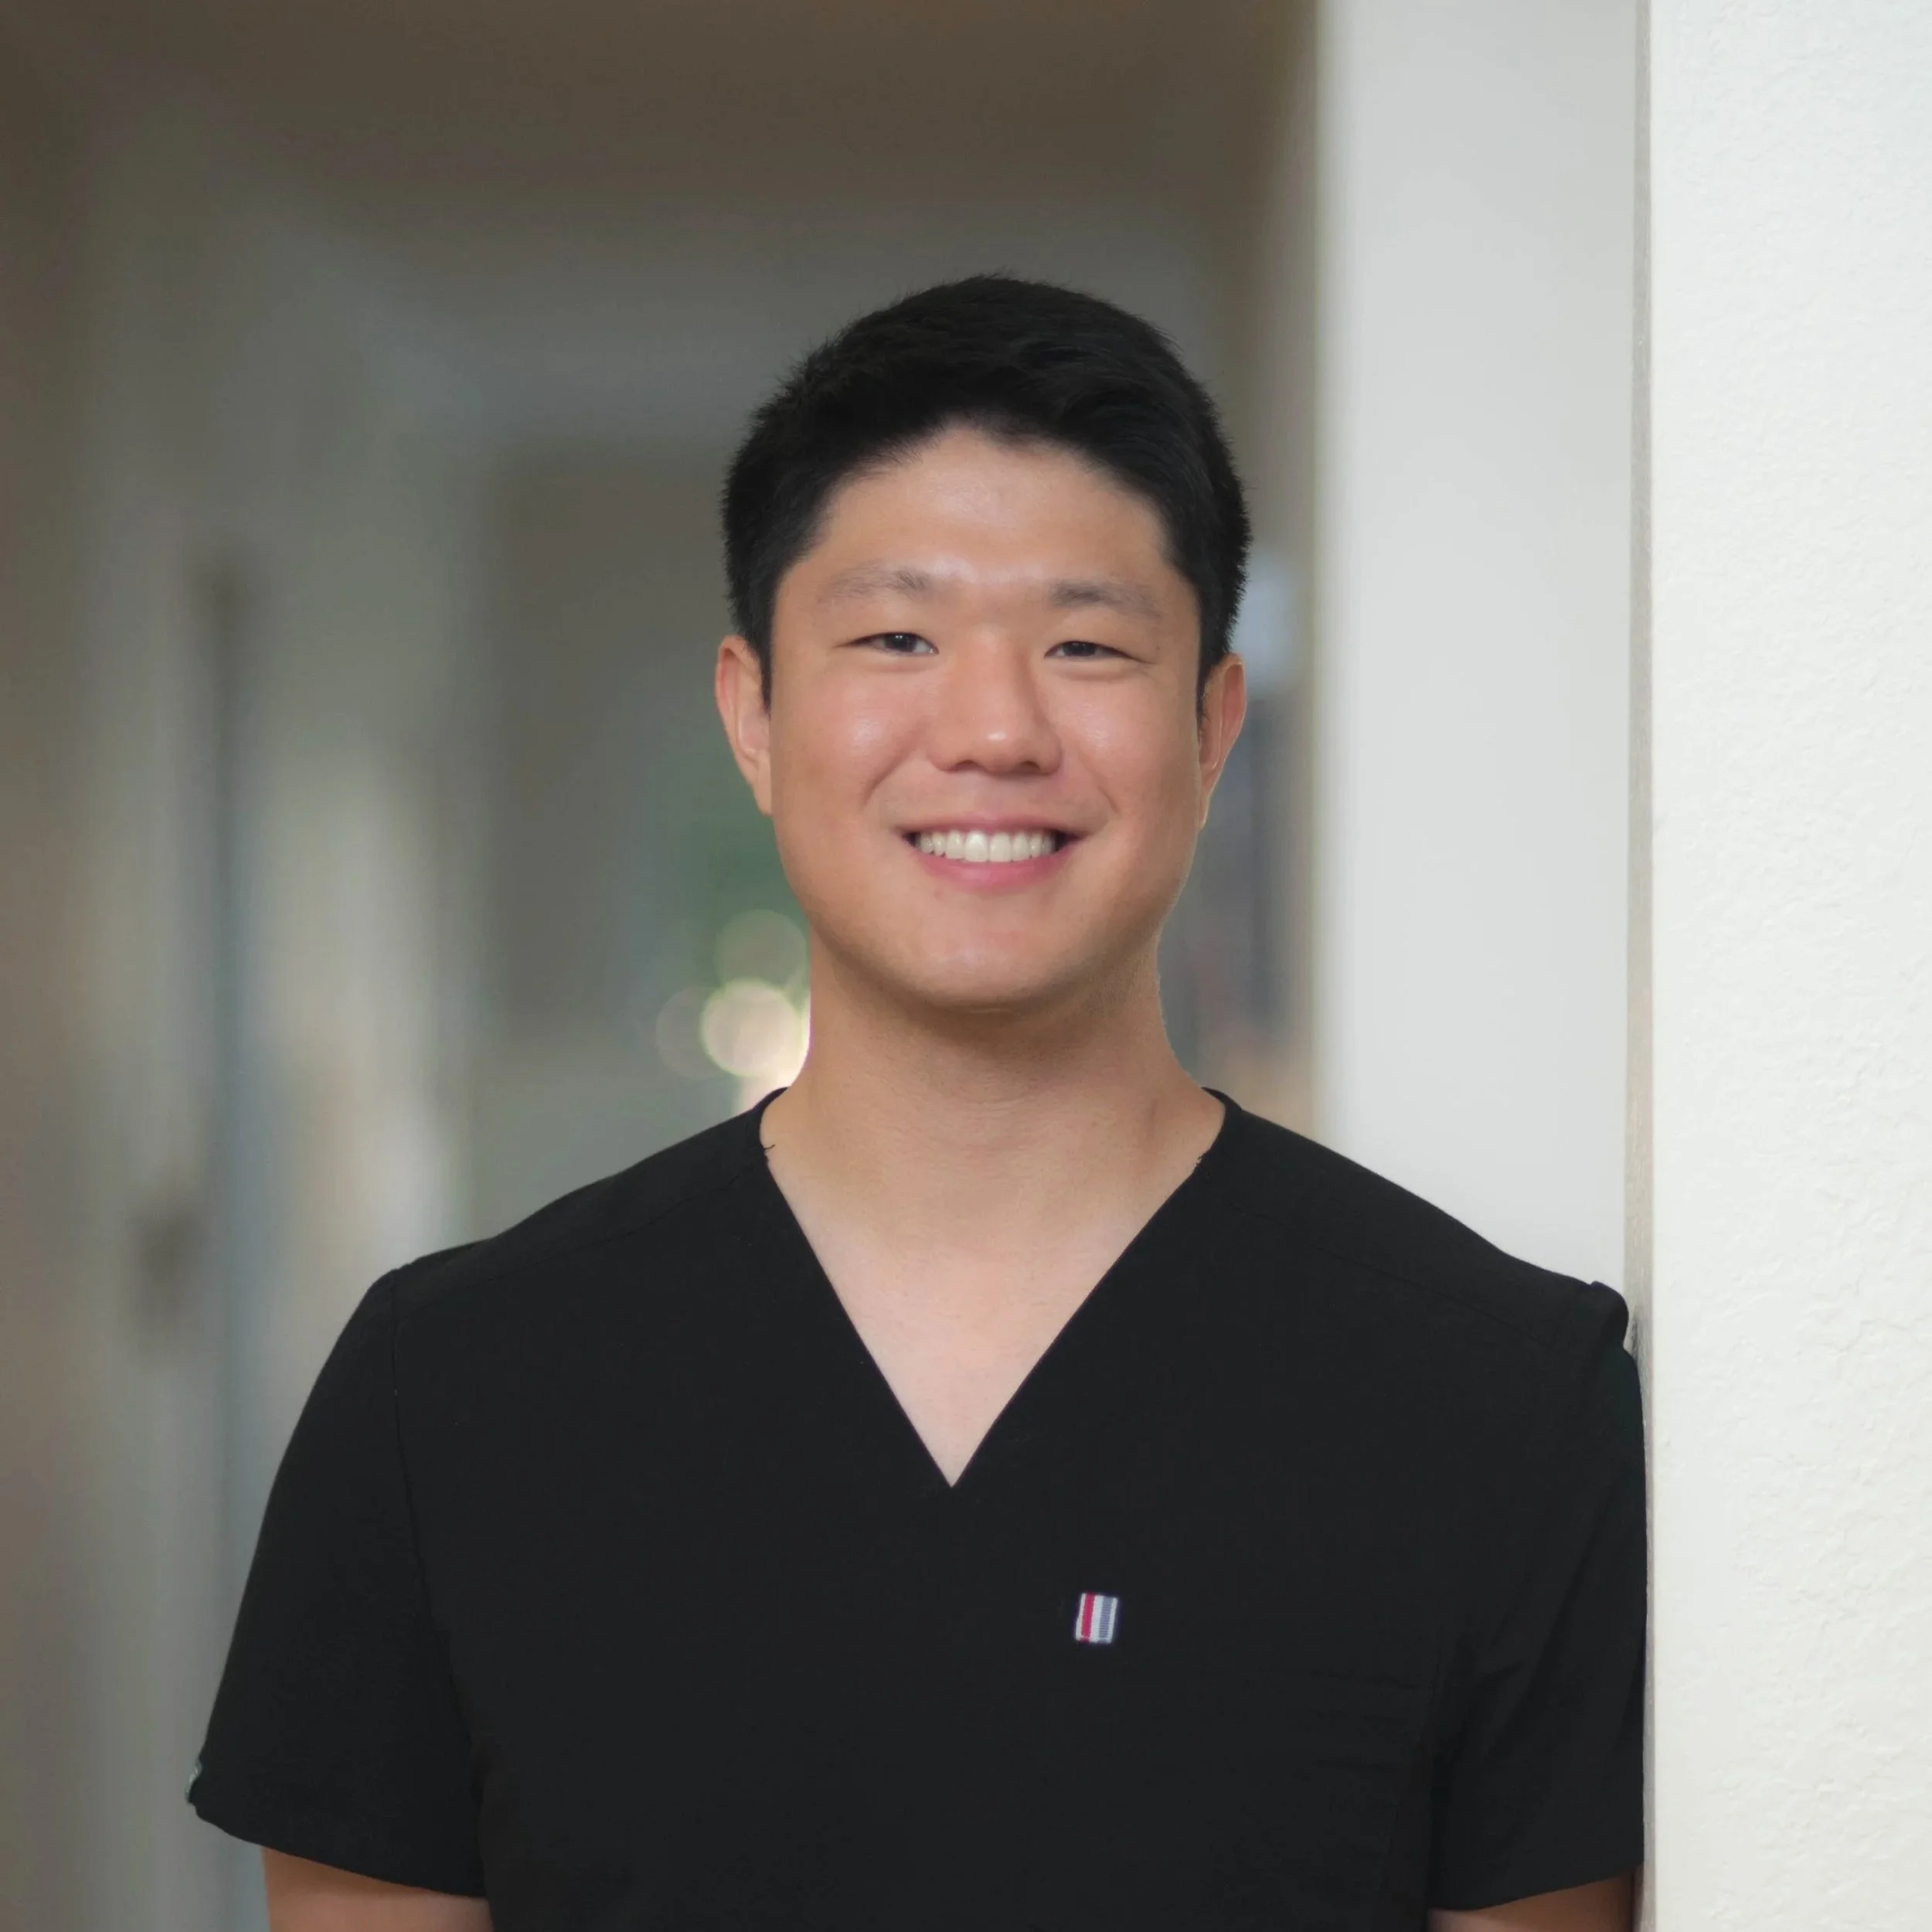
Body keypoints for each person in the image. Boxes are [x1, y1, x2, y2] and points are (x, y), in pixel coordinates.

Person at [191, 276, 1645, 1931]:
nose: (993, 730)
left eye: (1087, 645)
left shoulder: (1498, 1402)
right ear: (753, 712)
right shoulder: (449, 1395)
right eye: (896, 638)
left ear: (1210, 726)